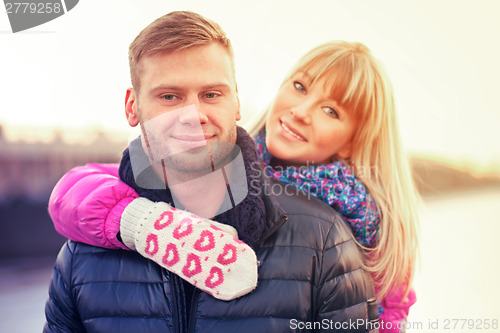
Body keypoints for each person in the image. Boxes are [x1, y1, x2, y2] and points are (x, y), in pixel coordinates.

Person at [44, 10, 377, 333]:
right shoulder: (80, 257)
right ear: (133, 107)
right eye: (170, 96)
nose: (193, 114)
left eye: (211, 94)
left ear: (236, 103)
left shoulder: (324, 242)